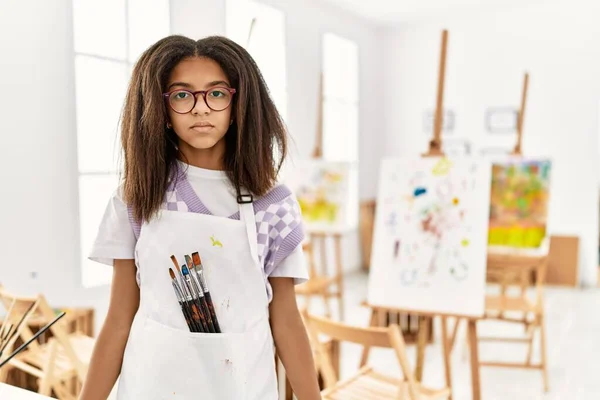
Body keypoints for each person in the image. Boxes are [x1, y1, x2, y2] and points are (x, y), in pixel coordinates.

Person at [79, 35, 321, 400]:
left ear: (239, 104)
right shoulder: (137, 196)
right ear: (160, 109)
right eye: (181, 95)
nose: (200, 109)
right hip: (153, 385)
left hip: (242, 386)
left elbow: (286, 321)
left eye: (217, 93)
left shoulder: (273, 204)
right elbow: (118, 321)